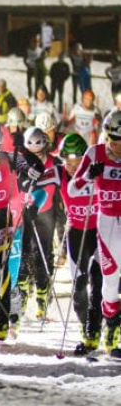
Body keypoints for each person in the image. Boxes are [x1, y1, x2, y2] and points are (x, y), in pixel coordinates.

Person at [33, 133, 100, 356]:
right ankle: (86, 329)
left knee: (99, 282)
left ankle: (99, 330)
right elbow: (35, 184)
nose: (72, 168)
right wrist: (32, 202)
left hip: (99, 232)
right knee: (78, 286)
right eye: (67, 162)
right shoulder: (59, 172)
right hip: (76, 233)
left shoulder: (95, 170)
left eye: (77, 162)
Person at [69, 111, 121, 356]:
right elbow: (72, 189)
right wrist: (89, 175)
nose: (118, 147)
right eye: (114, 141)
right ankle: (109, 328)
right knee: (107, 284)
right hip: (106, 225)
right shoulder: (95, 153)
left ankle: (112, 330)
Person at [15, 127, 62, 325]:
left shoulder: (54, 162)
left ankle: (42, 298)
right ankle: (21, 296)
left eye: (40, 152)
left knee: (42, 255)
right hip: (24, 213)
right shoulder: (21, 161)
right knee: (22, 254)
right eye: (32, 152)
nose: (37, 156)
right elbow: (13, 164)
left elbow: (65, 183)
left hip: (46, 213)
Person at [23, 34, 45, 99]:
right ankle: (30, 94)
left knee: (37, 83)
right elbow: (24, 59)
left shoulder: (39, 50)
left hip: (36, 69)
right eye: (32, 43)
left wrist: (39, 64)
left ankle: (36, 95)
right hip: (30, 68)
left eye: (35, 43)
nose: (34, 44)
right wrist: (27, 65)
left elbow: (43, 58)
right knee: (28, 83)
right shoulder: (28, 50)